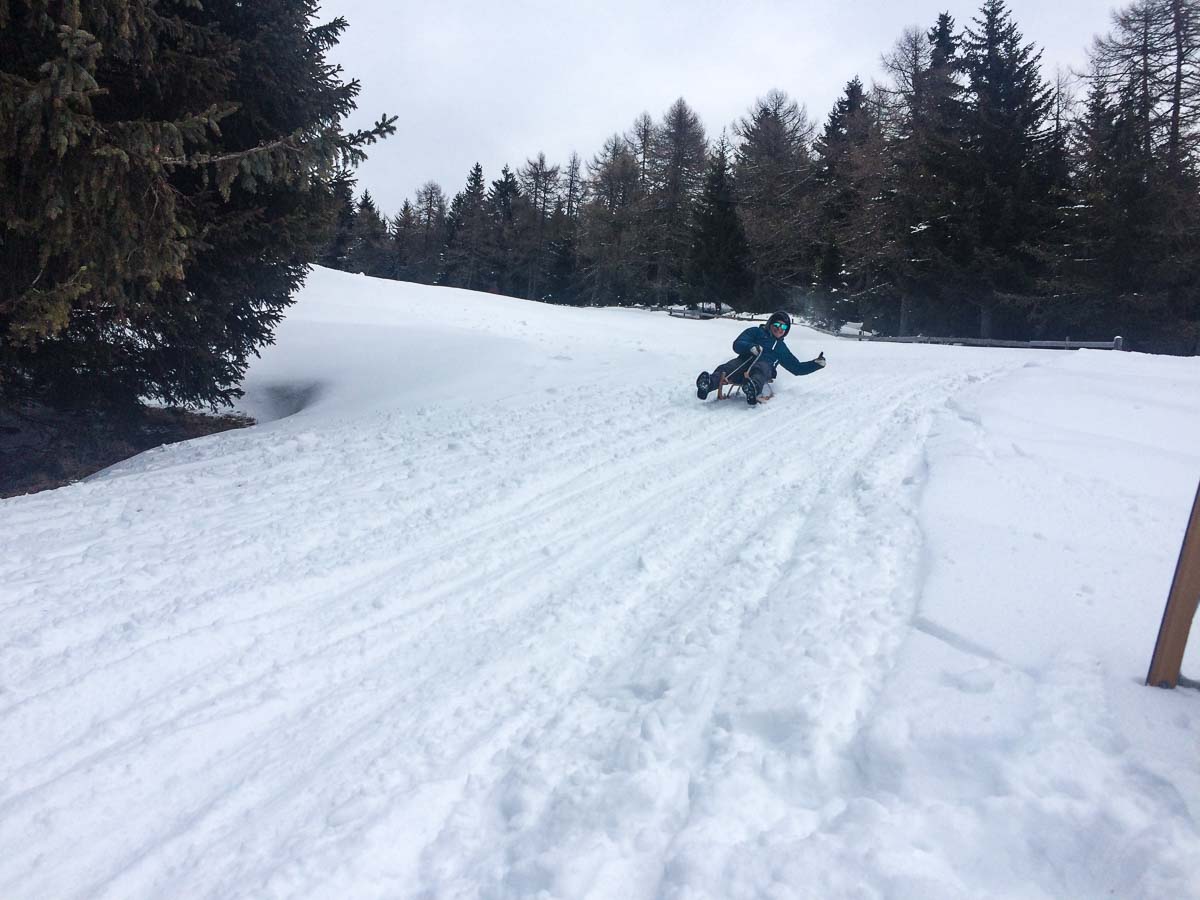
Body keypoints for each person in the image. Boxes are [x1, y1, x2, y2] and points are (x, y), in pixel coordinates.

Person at [695, 310, 825, 405]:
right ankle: (708, 383)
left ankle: (753, 388)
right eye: (777, 325)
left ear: (786, 330)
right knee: (730, 367)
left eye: (784, 327)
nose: (779, 329)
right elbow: (737, 344)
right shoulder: (756, 332)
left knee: (761, 368)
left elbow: (796, 368)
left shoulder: (781, 348)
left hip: (763, 370)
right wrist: (750, 347)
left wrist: (816, 364)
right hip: (744, 362)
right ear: (770, 324)